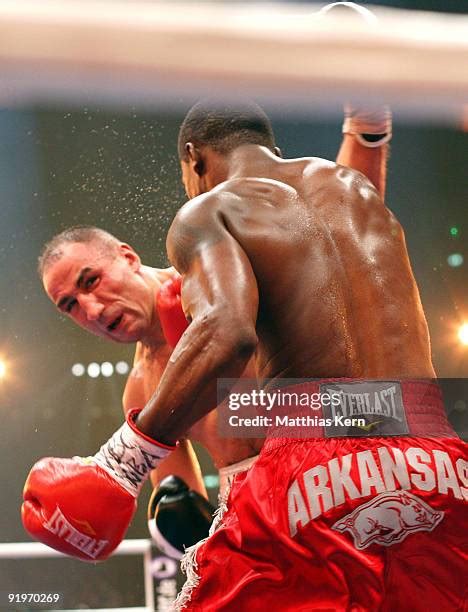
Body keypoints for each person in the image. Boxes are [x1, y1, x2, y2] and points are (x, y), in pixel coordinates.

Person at [23, 97, 467, 611]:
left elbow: (239, 331)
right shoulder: (144, 388)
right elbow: (342, 242)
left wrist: (120, 461)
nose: (91, 308)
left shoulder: (216, 244)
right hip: (434, 455)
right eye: (70, 306)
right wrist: (184, 520)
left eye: (91, 282)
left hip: (307, 486)